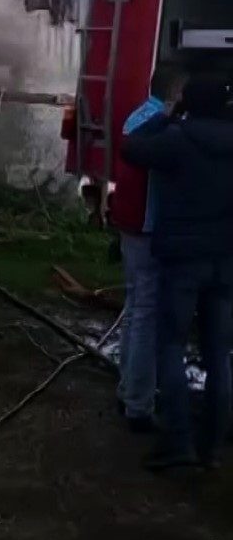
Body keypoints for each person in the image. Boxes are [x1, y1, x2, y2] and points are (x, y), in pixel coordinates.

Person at [122, 77, 233, 470]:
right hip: (225, 262)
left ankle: (178, 442)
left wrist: (168, 115)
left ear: (189, 104)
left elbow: (131, 148)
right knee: (219, 353)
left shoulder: (178, 138)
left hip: (183, 260)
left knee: (170, 345)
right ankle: (214, 447)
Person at [112, 68, 185, 433]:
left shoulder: (137, 114)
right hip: (146, 224)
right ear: (174, 91)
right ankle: (138, 405)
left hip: (128, 221)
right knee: (146, 314)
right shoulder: (160, 123)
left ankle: (126, 387)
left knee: (133, 307)